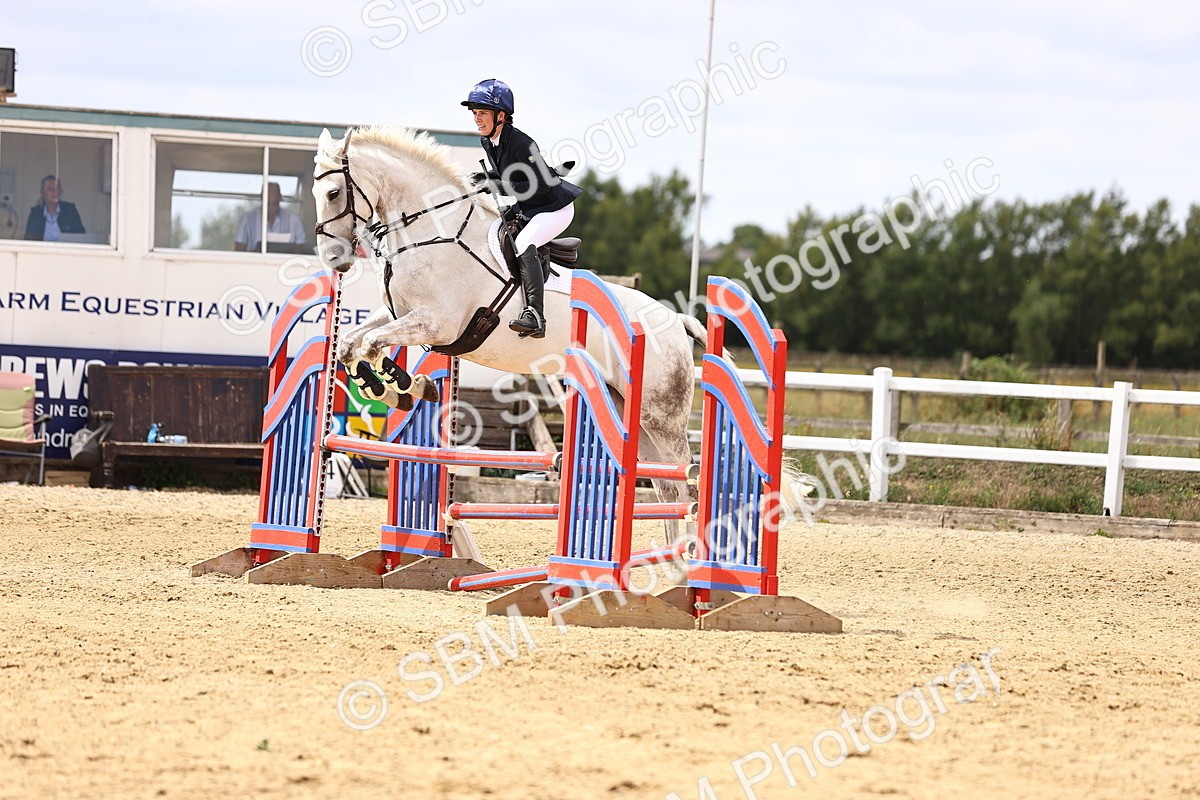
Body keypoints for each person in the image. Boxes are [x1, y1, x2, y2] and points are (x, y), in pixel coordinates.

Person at [463, 78, 581, 339]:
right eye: (475, 113)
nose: (477, 119)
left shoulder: (522, 143)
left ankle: (535, 314)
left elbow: (538, 187)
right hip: (529, 205)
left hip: (554, 207)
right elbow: (509, 176)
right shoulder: (489, 141)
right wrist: (490, 179)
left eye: (482, 112)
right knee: (493, 229)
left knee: (525, 240)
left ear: (501, 115)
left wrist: (497, 184)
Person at [234, 182, 307, 253]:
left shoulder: (294, 221)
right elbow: (238, 252)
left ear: (280, 198)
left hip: (286, 264)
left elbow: (301, 251)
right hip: (255, 264)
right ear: (261, 198)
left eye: (275, 203)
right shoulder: (247, 219)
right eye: (268, 203)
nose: (271, 207)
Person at [25, 175, 85, 241]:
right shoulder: (36, 214)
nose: (53, 192)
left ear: (60, 192)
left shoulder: (70, 211)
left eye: (56, 189)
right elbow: (29, 239)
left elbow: (80, 236)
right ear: (43, 192)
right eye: (50, 189)